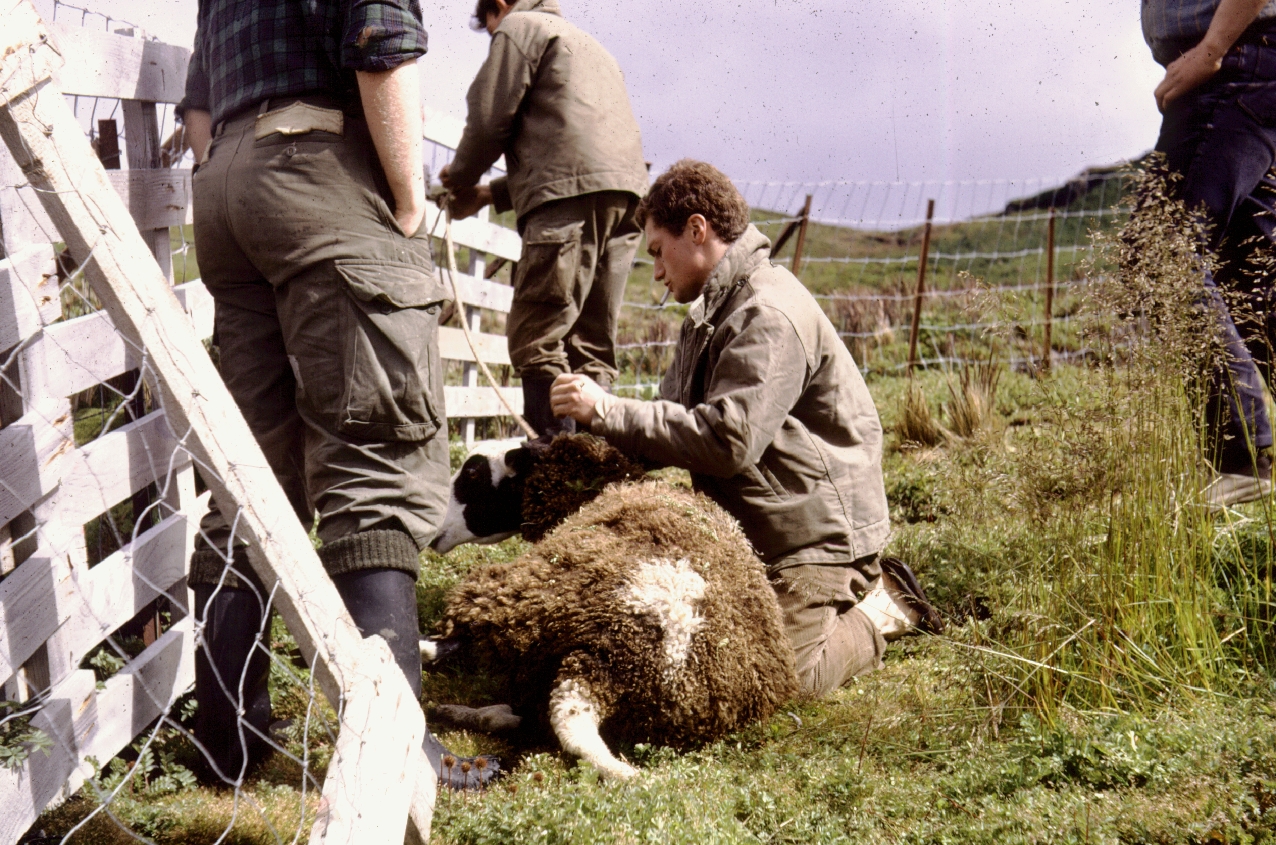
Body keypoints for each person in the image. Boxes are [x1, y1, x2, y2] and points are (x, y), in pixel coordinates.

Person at [177, 0, 491, 788]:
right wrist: (408, 200)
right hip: (320, 169)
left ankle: (226, 737)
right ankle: (396, 758)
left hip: (226, 185)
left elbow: (199, 100)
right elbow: (381, 42)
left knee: (250, 466)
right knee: (375, 458)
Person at [549, 161, 943, 697]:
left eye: (658, 251)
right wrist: (583, 442)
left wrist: (608, 410)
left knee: (778, 681)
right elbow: (670, 421)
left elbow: (727, 442)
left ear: (697, 230)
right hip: (764, 529)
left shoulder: (767, 312)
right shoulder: (710, 314)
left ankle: (885, 606)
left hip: (817, 539)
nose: (656, 272)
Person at [439, 0, 648, 437]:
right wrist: (489, 195)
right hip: (627, 198)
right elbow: (574, 146)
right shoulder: (591, 47)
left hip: (568, 202)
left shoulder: (519, 26)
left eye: (490, 27)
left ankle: (552, 458)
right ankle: (593, 462)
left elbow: (489, 119)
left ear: (499, 6)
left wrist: (458, 179)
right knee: (592, 340)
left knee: (538, 332)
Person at [1143, 0, 1276, 506]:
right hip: (1243, 66)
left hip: (1230, 66)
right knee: (1249, 277)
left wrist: (1211, 50)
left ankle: (1240, 460)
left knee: (1163, 252)